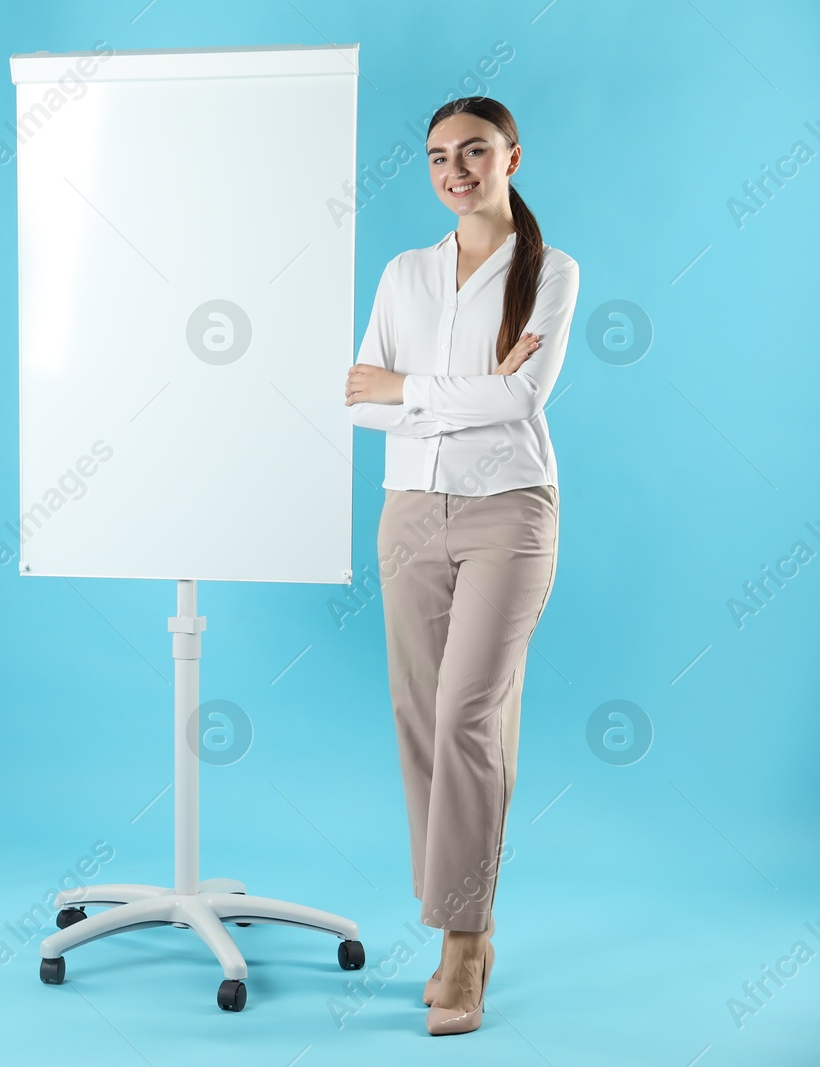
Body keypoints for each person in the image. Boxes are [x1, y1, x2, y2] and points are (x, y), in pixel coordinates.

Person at [343, 95, 579, 1036]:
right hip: (408, 517)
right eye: (439, 156)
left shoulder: (549, 272)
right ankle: (462, 913)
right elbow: (360, 402)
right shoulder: (406, 273)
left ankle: (461, 944)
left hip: (508, 518)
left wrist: (411, 391)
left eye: (475, 151)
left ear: (511, 155)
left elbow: (525, 395)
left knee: (466, 716)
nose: (456, 171)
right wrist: (456, 395)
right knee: (419, 721)